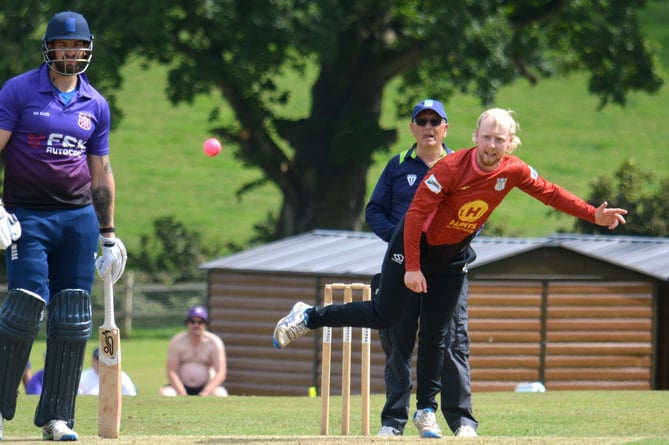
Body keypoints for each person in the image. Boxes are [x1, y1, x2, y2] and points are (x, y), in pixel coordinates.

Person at [273, 107, 627, 436]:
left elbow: (550, 193)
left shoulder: (514, 170)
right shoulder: (450, 168)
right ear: (474, 136)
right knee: (386, 315)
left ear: (510, 143)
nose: (491, 145)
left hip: (452, 257)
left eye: (499, 140)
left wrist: (593, 214)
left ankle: (426, 410)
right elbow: (413, 217)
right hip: (413, 245)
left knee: (436, 335)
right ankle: (309, 315)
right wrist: (412, 267)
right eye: (486, 137)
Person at [0, 10, 127, 441]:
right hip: (26, 215)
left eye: (79, 46)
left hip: (77, 220)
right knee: (25, 305)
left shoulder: (96, 104)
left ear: (88, 50)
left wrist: (108, 235)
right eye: (63, 45)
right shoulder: (19, 91)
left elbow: (101, 173)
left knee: (72, 317)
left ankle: (57, 418)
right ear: (49, 48)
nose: (71, 53)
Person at [365, 99, 477, 438]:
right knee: (398, 342)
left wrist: (451, 243)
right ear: (412, 128)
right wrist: (401, 242)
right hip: (404, 267)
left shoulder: (461, 165)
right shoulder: (398, 165)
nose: (428, 127)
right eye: (422, 121)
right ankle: (393, 421)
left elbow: (477, 212)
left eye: (435, 121)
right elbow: (374, 212)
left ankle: (461, 421)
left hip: (447, 268)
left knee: (452, 342)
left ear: (446, 128)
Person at [159, 305, 229, 397]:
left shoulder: (214, 342)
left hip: (206, 387)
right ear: (187, 323)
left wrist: (206, 392)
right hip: (180, 387)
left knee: (221, 394)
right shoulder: (177, 341)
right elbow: (171, 371)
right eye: (192, 321)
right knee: (166, 394)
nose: (196, 325)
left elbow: (221, 372)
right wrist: (182, 393)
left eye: (200, 322)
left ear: (205, 323)